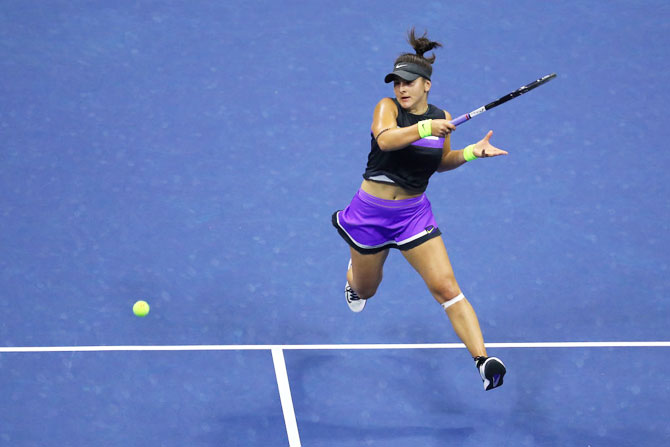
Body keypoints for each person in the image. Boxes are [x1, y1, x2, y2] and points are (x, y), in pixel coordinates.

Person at [331, 29, 507, 390]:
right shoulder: (388, 108)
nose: (402, 89)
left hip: (413, 215)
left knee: (446, 288)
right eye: (397, 83)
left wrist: (472, 152)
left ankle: (482, 359)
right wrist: (425, 127)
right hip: (370, 216)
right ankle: (354, 280)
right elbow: (386, 139)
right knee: (366, 291)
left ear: (426, 84)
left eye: (409, 83)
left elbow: (441, 162)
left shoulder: (443, 117)